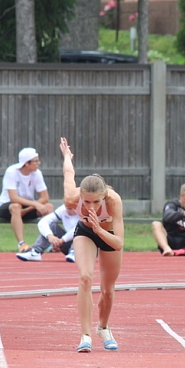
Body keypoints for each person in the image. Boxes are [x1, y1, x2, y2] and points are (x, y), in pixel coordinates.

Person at [59, 137, 124, 353]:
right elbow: (69, 174)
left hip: (108, 234)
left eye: (96, 202)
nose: (91, 207)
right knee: (85, 277)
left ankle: (103, 328)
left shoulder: (113, 201)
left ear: (104, 197)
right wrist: (67, 156)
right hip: (85, 232)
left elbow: (118, 244)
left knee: (107, 290)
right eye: (86, 202)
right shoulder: (72, 198)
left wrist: (100, 229)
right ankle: (85, 335)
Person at [0, 147, 54, 253]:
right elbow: (13, 198)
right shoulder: (11, 171)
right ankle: (22, 244)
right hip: (6, 207)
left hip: (26, 207)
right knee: (16, 206)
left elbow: (45, 197)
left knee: (49, 207)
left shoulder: (37, 173)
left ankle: (48, 243)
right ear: (27, 163)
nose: (39, 163)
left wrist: (27, 210)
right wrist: (35, 204)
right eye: (36, 161)